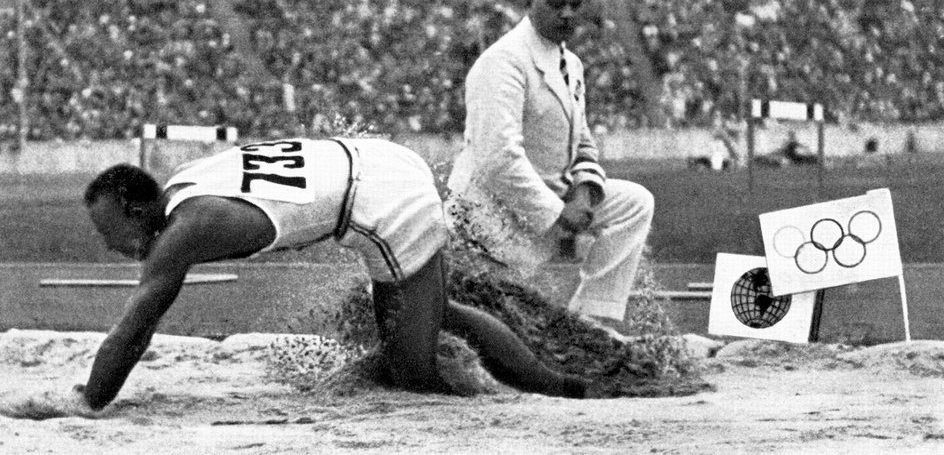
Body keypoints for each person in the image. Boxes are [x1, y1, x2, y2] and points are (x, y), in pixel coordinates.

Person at [51, 136, 589, 415]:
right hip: (380, 162)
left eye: (108, 231)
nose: (108, 245)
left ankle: (536, 397)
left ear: (137, 211)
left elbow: (135, 329)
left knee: (412, 375)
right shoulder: (187, 184)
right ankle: (558, 386)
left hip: (384, 203)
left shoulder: (184, 231)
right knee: (435, 313)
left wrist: (89, 401)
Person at [448, 0, 655, 336]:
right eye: (555, 4)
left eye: (576, 5)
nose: (567, 14)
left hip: (549, 199)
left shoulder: (571, 64)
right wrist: (559, 214)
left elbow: (584, 140)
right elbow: (498, 160)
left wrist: (584, 192)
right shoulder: (503, 62)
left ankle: (591, 322)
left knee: (635, 204)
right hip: (490, 217)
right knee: (494, 332)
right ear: (528, 1)